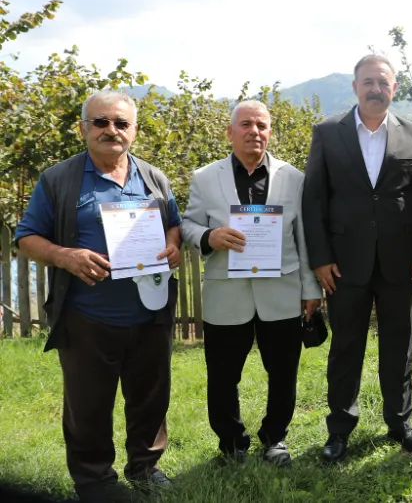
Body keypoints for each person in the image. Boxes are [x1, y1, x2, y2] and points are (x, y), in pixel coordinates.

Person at [14, 90, 182, 503]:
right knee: (88, 405)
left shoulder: (154, 178)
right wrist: (64, 255)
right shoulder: (59, 179)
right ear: (84, 128)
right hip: (88, 315)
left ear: (134, 130)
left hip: (149, 311)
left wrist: (174, 245)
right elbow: (26, 238)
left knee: (150, 398)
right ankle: (94, 480)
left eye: (121, 124)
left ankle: (145, 467)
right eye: (101, 122)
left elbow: (173, 225)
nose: (111, 131)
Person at [302, 54, 412, 463]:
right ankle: (339, 430)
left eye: (383, 82)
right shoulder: (328, 133)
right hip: (344, 264)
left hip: (401, 262)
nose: (376, 88)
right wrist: (321, 259)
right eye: (368, 82)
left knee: (401, 345)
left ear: (394, 88)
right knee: (346, 347)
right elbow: (314, 200)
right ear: (355, 86)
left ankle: (400, 423)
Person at [181, 100, 322, 467]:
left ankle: (275, 438)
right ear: (230, 132)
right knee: (224, 376)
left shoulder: (293, 177)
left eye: (261, 125)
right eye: (246, 124)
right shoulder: (204, 177)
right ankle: (231, 444)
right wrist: (209, 236)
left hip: (282, 291)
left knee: (283, 373)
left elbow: (303, 238)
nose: (254, 131)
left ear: (269, 132)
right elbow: (188, 225)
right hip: (226, 293)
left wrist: (310, 289)